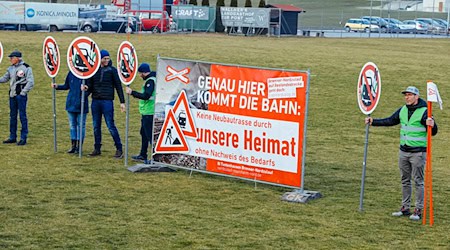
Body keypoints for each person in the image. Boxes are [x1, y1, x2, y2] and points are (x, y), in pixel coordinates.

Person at [365, 86, 438, 221]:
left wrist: (432, 124)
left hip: (418, 153)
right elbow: (390, 120)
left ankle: (418, 209)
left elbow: (433, 132)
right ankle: (405, 207)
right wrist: (373, 121)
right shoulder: (403, 110)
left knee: (418, 181)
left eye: (410, 95)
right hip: (403, 151)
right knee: (405, 180)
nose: (407, 97)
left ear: (416, 97)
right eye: (406, 95)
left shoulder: (425, 112)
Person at [82, 49, 125, 158]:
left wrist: (122, 102)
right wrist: (86, 90)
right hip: (96, 100)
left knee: (110, 125)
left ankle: (119, 148)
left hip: (107, 101)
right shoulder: (94, 71)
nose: (106, 60)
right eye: (104, 58)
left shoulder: (112, 71)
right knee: (96, 126)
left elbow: (118, 86)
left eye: (107, 58)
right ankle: (97, 148)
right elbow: (90, 85)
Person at [0, 50, 34, 146]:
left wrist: (23, 92)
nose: (10, 59)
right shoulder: (10, 68)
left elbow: (30, 82)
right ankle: (12, 136)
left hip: (20, 96)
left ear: (18, 58)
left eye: (12, 58)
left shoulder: (26, 68)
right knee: (13, 116)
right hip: (12, 95)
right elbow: (5, 78)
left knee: (22, 116)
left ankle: (23, 137)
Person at [125, 63, 156, 164]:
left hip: (149, 112)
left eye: (140, 74)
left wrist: (132, 92)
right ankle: (143, 154)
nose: (139, 76)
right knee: (144, 133)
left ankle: (154, 157)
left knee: (150, 135)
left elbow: (146, 96)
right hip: (147, 111)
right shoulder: (153, 79)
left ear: (143, 73)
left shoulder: (150, 81)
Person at [52, 71, 88, 154]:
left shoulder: (86, 74)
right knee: (72, 125)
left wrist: (86, 89)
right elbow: (66, 86)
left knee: (80, 125)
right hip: (71, 103)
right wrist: (57, 86)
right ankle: (74, 145)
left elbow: (90, 88)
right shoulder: (71, 73)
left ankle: (79, 146)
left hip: (81, 104)